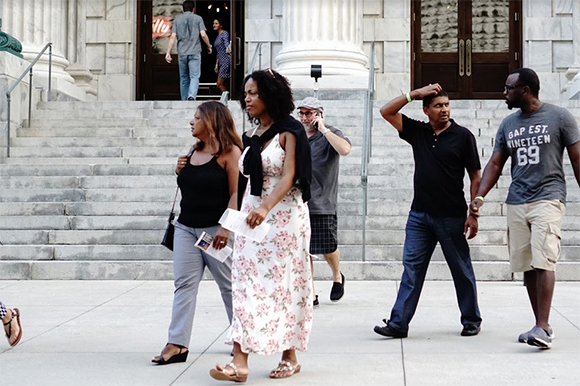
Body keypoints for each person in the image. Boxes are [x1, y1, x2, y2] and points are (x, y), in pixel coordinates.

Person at [209, 69, 313, 382]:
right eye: (246, 93)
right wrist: (229, 222)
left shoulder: (290, 130)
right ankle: (239, 363)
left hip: (283, 220)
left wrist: (266, 207)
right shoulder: (252, 134)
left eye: (253, 93)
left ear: (269, 94)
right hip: (251, 219)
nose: (247, 98)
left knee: (284, 287)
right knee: (244, 286)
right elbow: (242, 184)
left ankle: (289, 356)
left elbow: (290, 174)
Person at [469, 68, 580, 349]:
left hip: (548, 197)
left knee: (545, 259)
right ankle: (540, 324)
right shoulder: (508, 124)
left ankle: (542, 326)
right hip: (517, 200)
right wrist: (479, 197)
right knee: (527, 264)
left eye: (509, 88)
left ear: (525, 90)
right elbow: (495, 163)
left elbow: (577, 158)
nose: (504, 93)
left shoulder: (560, 117)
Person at [374, 84, 483, 339]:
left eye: (446, 105)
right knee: (411, 269)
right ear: (426, 110)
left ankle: (471, 319)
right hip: (419, 216)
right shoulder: (418, 131)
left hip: (452, 216)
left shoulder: (463, 136)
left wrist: (474, 211)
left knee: (461, 269)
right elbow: (386, 111)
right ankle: (398, 323)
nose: (444, 110)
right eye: (438, 106)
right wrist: (414, 93)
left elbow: (475, 175)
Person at [152, 101, 242, 364]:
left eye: (197, 118)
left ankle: (241, 341)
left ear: (212, 122)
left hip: (215, 232)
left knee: (229, 287)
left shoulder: (230, 152)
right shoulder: (193, 150)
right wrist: (178, 170)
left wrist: (227, 226)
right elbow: (190, 185)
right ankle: (177, 343)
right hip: (185, 228)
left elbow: (237, 192)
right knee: (184, 286)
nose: (192, 122)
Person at [297, 97, 351, 306]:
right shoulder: (296, 135)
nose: (304, 117)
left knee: (327, 247)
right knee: (304, 250)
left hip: (323, 202)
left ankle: (337, 275)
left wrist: (324, 129)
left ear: (319, 113)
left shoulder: (331, 133)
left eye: (308, 113)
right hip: (299, 202)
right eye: (301, 113)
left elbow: (345, 150)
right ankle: (311, 293)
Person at [165, 1, 212, 101]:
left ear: (183, 9)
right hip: (195, 51)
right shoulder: (198, 18)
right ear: (193, 9)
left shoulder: (177, 20)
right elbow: (203, 35)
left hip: (182, 52)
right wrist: (209, 46)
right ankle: (191, 96)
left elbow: (173, 37)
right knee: (194, 76)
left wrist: (168, 52)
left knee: (184, 78)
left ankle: (184, 99)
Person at [212, 18, 231, 93]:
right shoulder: (217, 36)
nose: (214, 25)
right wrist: (216, 65)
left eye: (216, 23)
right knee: (223, 83)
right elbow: (218, 52)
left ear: (221, 25)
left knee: (219, 84)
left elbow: (227, 45)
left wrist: (230, 49)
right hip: (221, 62)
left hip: (226, 61)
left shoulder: (224, 33)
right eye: (213, 23)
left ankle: (229, 99)